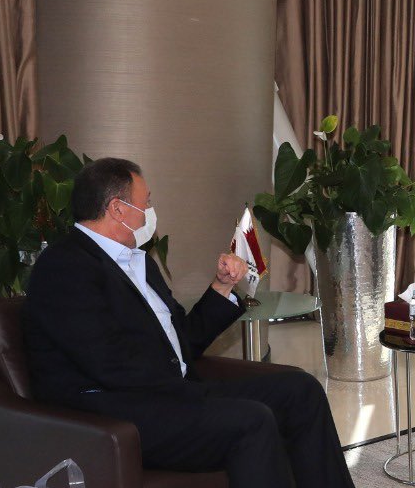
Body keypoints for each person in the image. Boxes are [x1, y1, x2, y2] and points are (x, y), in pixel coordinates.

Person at [22, 158, 353, 487]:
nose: (149, 212)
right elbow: (105, 361)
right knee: (251, 421)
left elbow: (184, 340)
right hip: (118, 410)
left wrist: (222, 286)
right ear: (118, 209)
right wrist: (187, 391)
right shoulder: (64, 267)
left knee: (301, 390)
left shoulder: (139, 263)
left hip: (169, 393)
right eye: (145, 203)